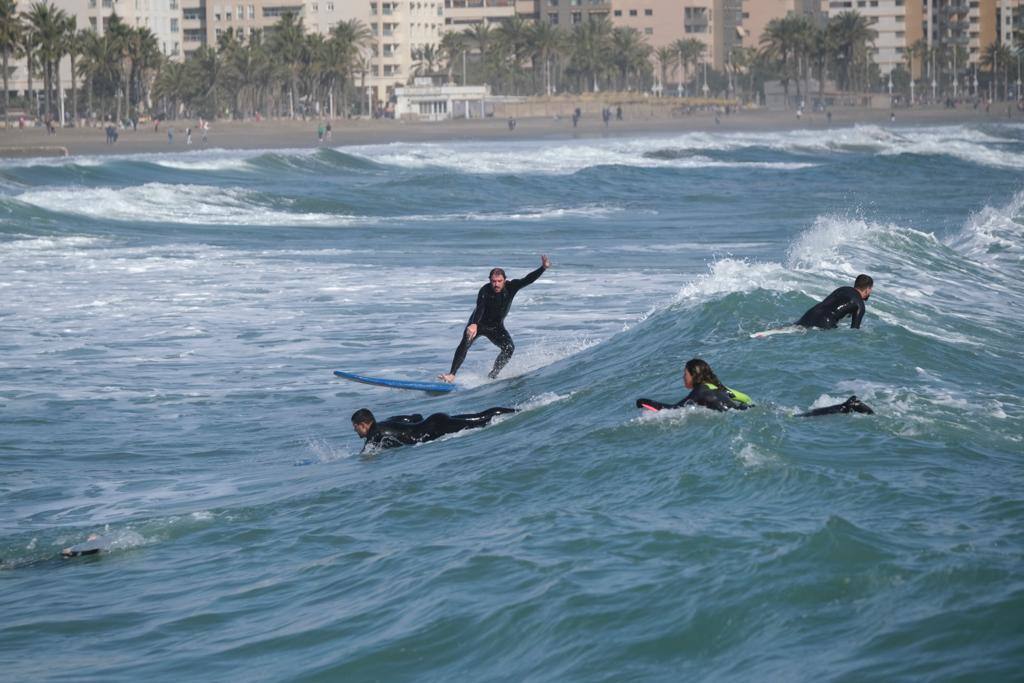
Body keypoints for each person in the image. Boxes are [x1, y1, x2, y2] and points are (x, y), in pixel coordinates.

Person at [440, 255, 551, 382]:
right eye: (493, 281)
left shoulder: (511, 287)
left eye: (499, 281)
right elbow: (480, 307)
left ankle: (493, 375)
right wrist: (474, 324)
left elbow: (527, 279)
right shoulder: (485, 290)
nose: (496, 284)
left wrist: (543, 268)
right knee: (465, 342)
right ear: (490, 280)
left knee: (509, 348)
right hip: (478, 323)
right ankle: (452, 375)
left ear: (504, 280)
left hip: (496, 327)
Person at [351, 407, 516, 452]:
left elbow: (366, 455)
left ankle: (521, 411)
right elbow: (415, 417)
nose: (355, 431)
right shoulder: (386, 422)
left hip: (436, 428)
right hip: (434, 421)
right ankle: (516, 411)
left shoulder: (374, 432)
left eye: (355, 427)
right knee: (481, 417)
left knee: (483, 421)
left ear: (363, 424)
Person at [636, 358, 754, 413]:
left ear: (694, 375)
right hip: (743, 410)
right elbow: (746, 399)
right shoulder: (720, 388)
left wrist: (646, 402)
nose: (683, 377)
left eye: (685, 374)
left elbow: (673, 409)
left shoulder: (699, 392)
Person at [795, 274, 873, 330]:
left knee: (791, 329)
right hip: (825, 321)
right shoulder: (860, 305)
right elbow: (854, 330)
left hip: (810, 314)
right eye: (871, 289)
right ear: (867, 289)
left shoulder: (843, 289)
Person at [797, 396, 874, 417]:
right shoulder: (845, 407)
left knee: (811, 413)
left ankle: (798, 415)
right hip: (842, 408)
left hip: (841, 408)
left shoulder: (845, 408)